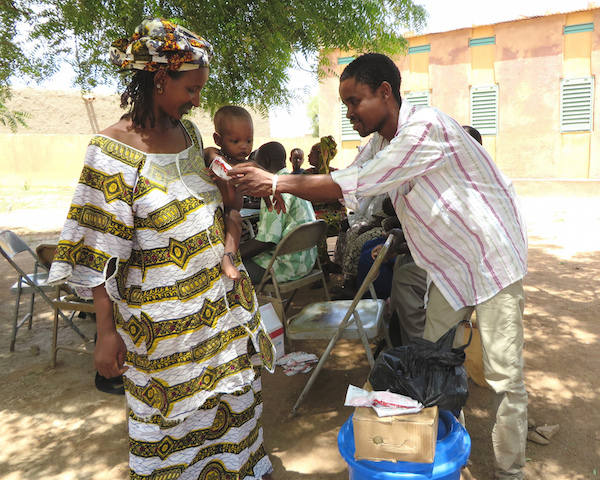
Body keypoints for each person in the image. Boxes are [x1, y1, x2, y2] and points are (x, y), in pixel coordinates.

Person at [229, 53, 529, 480]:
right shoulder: (378, 143)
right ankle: (440, 447)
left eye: (354, 102)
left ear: (385, 92)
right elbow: (352, 182)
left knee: (503, 377)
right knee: (429, 360)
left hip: (491, 262)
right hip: (449, 270)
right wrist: (291, 189)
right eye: (346, 104)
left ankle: (509, 470)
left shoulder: (426, 127)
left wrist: (277, 181)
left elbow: (359, 182)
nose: (349, 113)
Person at [47, 18, 274, 480]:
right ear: (160, 79)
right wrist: (106, 332)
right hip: (161, 337)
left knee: (231, 422)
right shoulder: (109, 152)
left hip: (218, 321)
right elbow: (97, 254)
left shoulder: (191, 138)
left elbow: (216, 208)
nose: (196, 101)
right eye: (191, 89)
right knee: (169, 440)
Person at [389, 125, 484, 346]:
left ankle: (419, 349)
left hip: (461, 267)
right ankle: (407, 338)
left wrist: (403, 243)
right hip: (449, 260)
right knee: (402, 266)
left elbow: (447, 239)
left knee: (404, 277)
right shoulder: (452, 179)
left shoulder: (471, 186)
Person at [240, 141, 317, 285]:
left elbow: (267, 241)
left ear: (265, 162)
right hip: (305, 262)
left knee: (224, 271)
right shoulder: (294, 181)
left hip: (285, 267)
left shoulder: (274, 190)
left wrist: (232, 255)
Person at [205, 105, 256, 279]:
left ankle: (228, 258)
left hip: (231, 212)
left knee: (235, 217)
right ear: (218, 140)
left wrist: (274, 193)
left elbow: (268, 178)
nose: (244, 147)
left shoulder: (248, 164)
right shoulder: (214, 153)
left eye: (248, 141)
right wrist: (219, 168)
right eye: (235, 141)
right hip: (212, 212)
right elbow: (213, 159)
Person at [303, 136, 346, 271]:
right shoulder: (307, 174)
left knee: (316, 223)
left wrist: (318, 197)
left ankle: (323, 267)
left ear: (322, 155)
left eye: (312, 153)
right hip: (314, 215)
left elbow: (340, 197)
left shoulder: (336, 174)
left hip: (337, 216)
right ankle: (322, 265)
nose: (308, 156)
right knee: (312, 222)